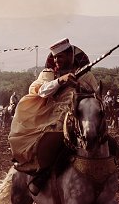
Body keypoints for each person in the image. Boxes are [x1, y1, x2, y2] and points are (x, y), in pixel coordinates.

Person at [7, 38, 108, 195]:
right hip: (55, 117)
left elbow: (96, 97)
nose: (57, 60)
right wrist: (61, 81)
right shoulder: (48, 74)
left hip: (81, 117)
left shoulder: (86, 76)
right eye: (55, 57)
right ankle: (42, 175)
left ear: (70, 56)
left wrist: (78, 86)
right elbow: (41, 91)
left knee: (109, 145)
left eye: (60, 56)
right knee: (51, 142)